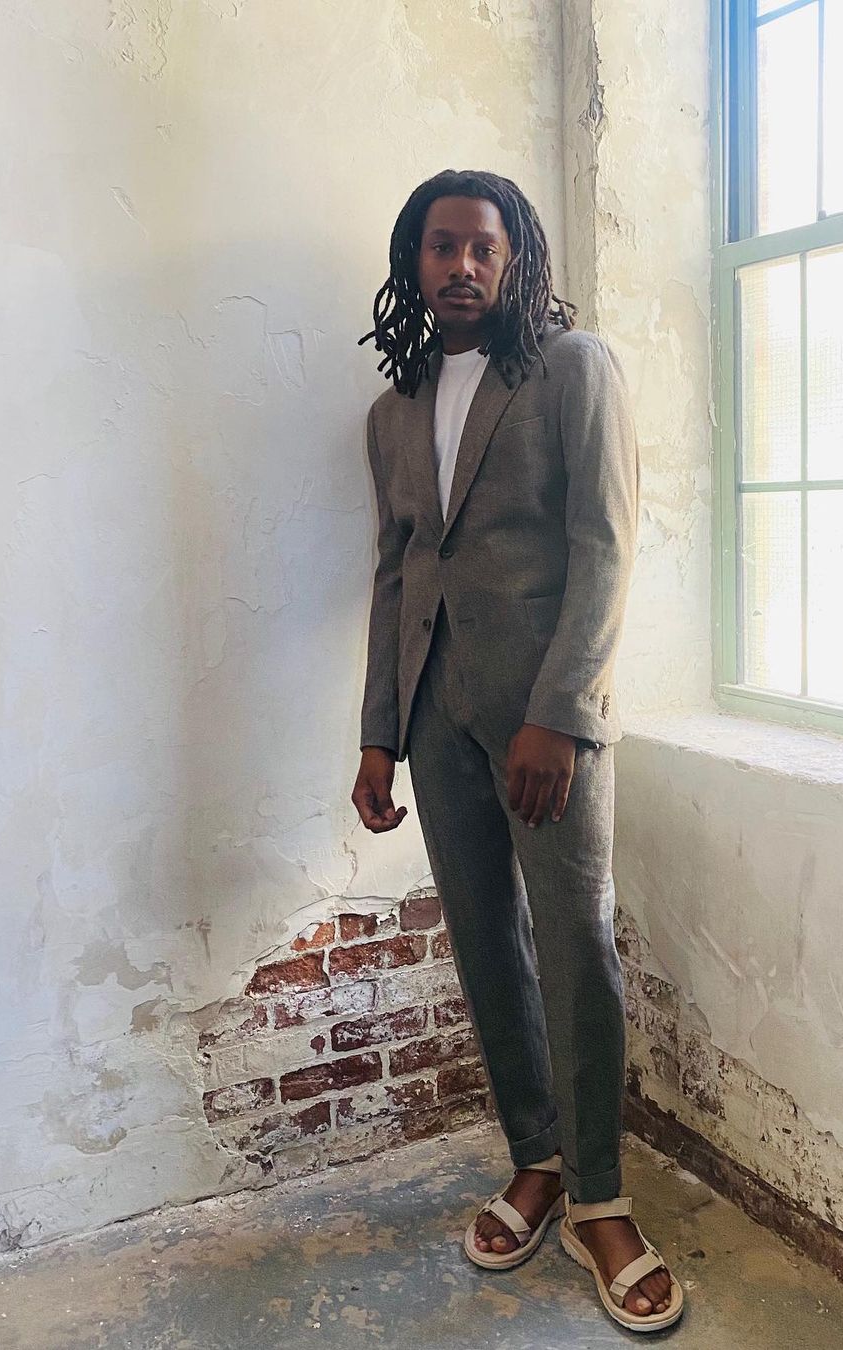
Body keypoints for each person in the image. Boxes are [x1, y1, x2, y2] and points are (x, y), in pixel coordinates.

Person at [350, 168, 682, 1331]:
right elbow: (396, 574)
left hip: (546, 723)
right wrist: (379, 734)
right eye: (441, 247)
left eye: (481, 248)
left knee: (575, 941)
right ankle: (535, 1158)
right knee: (486, 941)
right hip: (434, 715)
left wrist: (564, 712)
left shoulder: (571, 370)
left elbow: (606, 546)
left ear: (515, 257)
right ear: (415, 261)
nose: (461, 266)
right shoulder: (393, 413)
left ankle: (600, 1198)